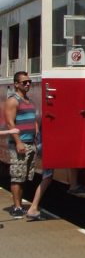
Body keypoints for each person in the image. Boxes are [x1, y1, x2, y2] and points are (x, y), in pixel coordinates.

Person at [3, 72, 39, 219]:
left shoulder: (29, 100)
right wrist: (18, 142)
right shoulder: (13, 101)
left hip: (30, 143)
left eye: (29, 82)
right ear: (16, 84)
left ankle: (19, 205)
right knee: (17, 176)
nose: (28, 84)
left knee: (24, 176)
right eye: (24, 82)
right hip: (20, 144)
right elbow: (10, 123)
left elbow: (33, 119)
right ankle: (17, 207)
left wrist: (36, 133)